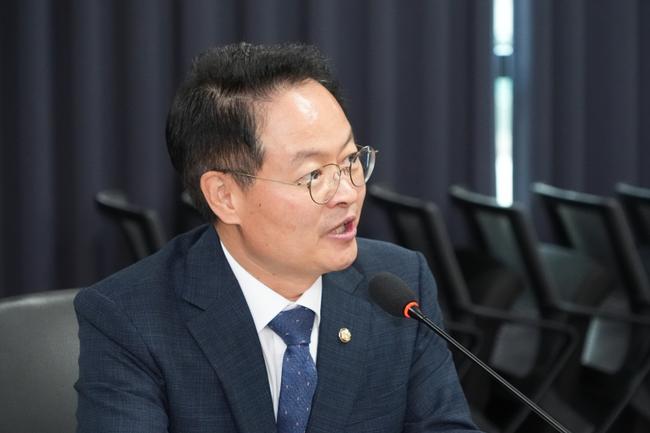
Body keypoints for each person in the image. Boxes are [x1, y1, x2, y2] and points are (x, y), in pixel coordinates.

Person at [74, 42, 482, 433]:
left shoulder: (400, 286)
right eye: (313, 175)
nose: (348, 192)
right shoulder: (131, 318)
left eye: (350, 160)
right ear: (225, 196)